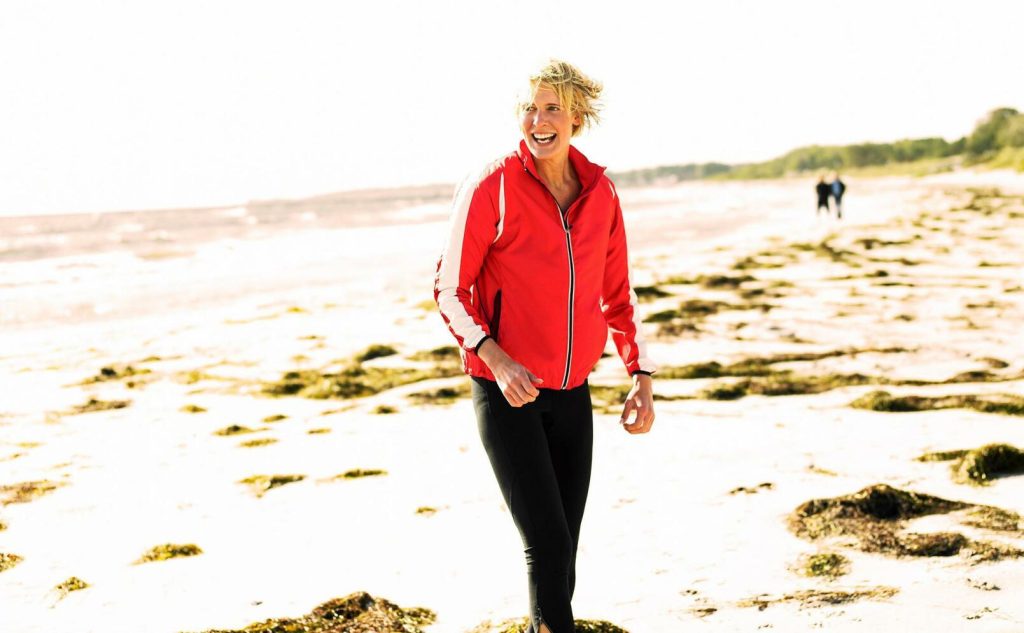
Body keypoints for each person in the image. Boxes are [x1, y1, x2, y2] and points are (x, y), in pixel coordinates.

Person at [433, 59, 658, 633]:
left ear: (577, 117)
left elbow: (617, 294)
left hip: (572, 392)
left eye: (552, 108)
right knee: (548, 546)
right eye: (530, 109)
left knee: (564, 553)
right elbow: (449, 289)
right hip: (506, 392)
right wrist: (495, 357)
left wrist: (640, 375)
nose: (539, 120)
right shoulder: (492, 185)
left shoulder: (601, 193)